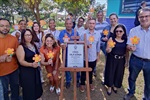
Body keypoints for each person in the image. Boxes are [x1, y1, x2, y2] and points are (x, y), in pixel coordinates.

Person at [124, 7, 150, 100]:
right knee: (132, 78)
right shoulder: (134, 31)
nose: (144, 18)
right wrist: (130, 47)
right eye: (141, 16)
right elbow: (128, 45)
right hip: (136, 60)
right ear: (138, 18)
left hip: (149, 61)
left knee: (148, 82)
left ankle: (147, 97)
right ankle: (131, 92)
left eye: (146, 16)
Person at [16, 29, 43, 100]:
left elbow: (37, 56)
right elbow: (21, 61)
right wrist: (31, 65)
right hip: (26, 72)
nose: (29, 37)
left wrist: (39, 63)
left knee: (37, 86)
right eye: (27, 35)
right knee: (29, 89)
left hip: (35, 71)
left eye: (30, 35)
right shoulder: (21, 47)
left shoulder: (33, 45)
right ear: (23, 36)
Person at [104, 24, 128, 95]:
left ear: (123, 32)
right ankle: (109, 86)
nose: (118, 33)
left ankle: (115, 85)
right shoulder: (111, 39)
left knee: (119, 73)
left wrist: (127, 61)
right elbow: (107, 50)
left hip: (121, 60)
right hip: (112, 59)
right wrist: (109, 49)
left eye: (120, 31)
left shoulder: (126, 40)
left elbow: (127, 52)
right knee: (110, 72)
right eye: (117, 31)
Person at [0, 18, 19, 100]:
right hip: (1, 73)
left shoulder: (13, 39)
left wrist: (10, 54)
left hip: (14, 70)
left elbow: (17, 51)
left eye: (7, 26)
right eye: (2, 26)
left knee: (15, 89)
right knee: (4, 93)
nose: (5, 28)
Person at [80, 18, 101, 92]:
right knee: (83, 71)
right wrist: (86, 46)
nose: (91, 25)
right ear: (88, 24)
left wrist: (98, 55)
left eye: (93, 23)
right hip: (84, 57)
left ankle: (90, 83)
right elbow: (80, 45)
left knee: (91, 71)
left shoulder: (98, 34)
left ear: (95, 24)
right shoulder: (83, 33)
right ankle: (82, 83)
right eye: (90, 23)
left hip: (93, 57)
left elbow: (98, 46)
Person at [59, 18, 80, 88]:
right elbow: (60, 43)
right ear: (65, 24)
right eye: (67, 24)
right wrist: (62, 45)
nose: (68, 25)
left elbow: (79, 42)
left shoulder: (75, 32)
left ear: (72, 24)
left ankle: (77, 80)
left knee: (76, 66)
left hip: (74, 53)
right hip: (66, 54)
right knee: (67, 67)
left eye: (70, 23)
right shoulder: (62, 32)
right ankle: (68, 80)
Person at [94, 10, 109, 77]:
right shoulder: (94, 24)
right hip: (96, 42)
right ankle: (94, 70)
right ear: (97, 16)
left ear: (103, 16)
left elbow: (108, 32)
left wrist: (106, 37)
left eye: (101, 15)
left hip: (104, 43)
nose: (100, 17)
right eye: (98, 15)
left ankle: (106, 72)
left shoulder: (106, 24)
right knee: (94, 57)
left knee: (107, 56)